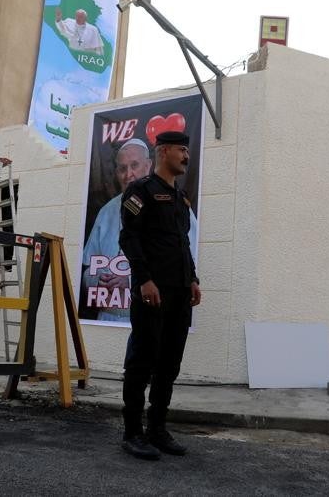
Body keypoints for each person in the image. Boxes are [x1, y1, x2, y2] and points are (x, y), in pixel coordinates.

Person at [117, 131, 202, 460]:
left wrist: (192, 278)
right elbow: (129, 239)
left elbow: (182, 244)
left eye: (187, 150)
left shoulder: (181, 199)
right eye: (181, 150)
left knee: (169, 364)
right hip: (152, 292)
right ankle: (132, 432)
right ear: (163, 152)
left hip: (180, 294)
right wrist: (144, 279)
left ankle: (157, 428)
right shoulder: (141, 191)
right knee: (141, 362)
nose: (186, 156)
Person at [82, 138, 197, 323]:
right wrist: (96, 280)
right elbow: (88, 267)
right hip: (108, 317)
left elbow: (185, 260)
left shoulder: (175, 203)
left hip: (155, 312)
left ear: (148, 165)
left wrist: (131, 280)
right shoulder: (106, 212)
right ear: (116, 173)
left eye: (134, 165)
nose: (129, 174)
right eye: (122, 168)